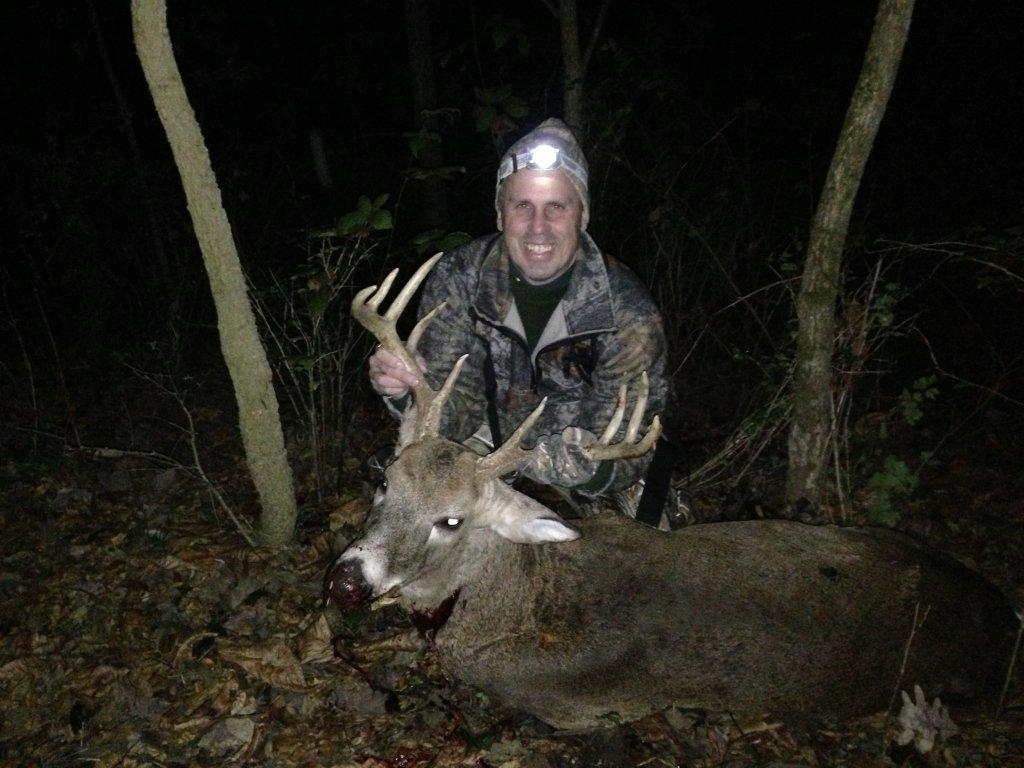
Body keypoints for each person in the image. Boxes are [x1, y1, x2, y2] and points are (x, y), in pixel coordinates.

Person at [368, 118, 681, 526]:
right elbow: (452, 415)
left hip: (583, 471)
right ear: (500, 214)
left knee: (641, 566)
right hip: (483, 458)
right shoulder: (459, 278)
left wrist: (570, 469)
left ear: (582, 216)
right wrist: (406, 389)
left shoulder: (628, 313)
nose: (538, 227)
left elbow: (629, 450)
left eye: (556, 207)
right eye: (522, 206)